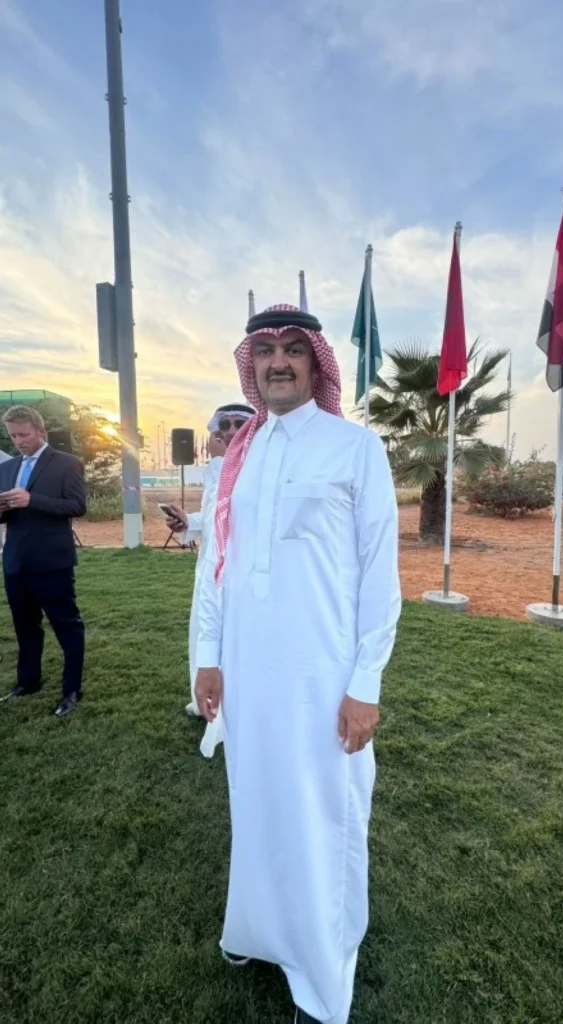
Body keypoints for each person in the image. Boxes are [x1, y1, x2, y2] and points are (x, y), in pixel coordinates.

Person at [195, 305, 401, 1023]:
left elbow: (379, 577)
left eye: (292, 349)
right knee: (255, 802)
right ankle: (255, 930)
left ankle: (321, 972)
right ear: (250, 365)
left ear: (316, 364)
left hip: (322, 674)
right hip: (248, 671)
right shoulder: (241, 453)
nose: (277, 361)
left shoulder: (354, 447)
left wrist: (365, 683)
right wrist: (208, 657)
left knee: (322, 813)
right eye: (265, 350)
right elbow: (216, 564)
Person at [164, 403, 254, 757]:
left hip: (239, 573)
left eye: (239, 424)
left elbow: (238, 515)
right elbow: (214, 514)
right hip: (209, 568)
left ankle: (230, 712)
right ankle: (204, 698)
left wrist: (219, 461)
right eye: (225, 425)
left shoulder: (257, 464)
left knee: (231, 641)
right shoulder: (217, 467)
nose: (230, 431)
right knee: (203, 634)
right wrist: (188, 521)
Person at [0, 406, 87, 718]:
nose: (19, 441)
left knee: (67, 627)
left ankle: (71, 690)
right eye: (13, 436)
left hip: (52, 562)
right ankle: (28, 681)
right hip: (15, 561)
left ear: (41, 431)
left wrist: (31, 500)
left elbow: (77, 506)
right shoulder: (8, 468)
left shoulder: (67, 463)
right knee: (25, 626)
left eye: (24, 434)